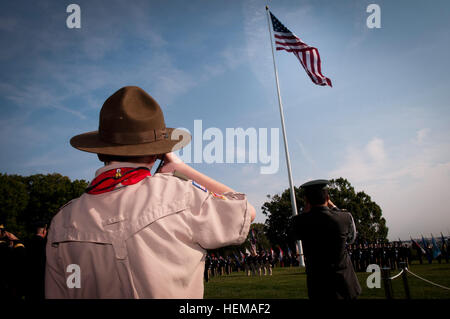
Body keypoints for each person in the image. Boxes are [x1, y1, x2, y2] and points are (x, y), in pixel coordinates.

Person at [45, 86, 255, 298]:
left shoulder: (62, 220)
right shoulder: (179, 193)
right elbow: (245, 212)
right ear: (156, 153)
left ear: (100, 151)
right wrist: (181, 169)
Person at [290, 179, 361, 300]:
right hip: (345, 283)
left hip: (319, 286)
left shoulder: (299, 222)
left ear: (307, 200)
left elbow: (295, 234)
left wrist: (305, 211)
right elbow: (351, 239)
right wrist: (334, 207)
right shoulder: (344, 217)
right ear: (327, 198)